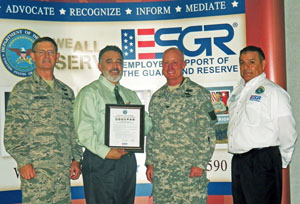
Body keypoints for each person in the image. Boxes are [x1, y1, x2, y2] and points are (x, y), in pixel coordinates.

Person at [4, 37, 82, 204]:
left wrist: (76, 159)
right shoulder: (23, 90)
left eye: (50, 52)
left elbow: (72, 129)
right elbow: (12, 132)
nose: (46, 56)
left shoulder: (66, 92)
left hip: (62, 173)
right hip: (36, 173)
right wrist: (23, 161)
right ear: (32, 56)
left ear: (57, 56)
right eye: (41, 52)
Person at [73, 45, 152, 204]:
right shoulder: (90, 93)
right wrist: (106, 152)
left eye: (119, 62)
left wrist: (135, 117)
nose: (115, 66)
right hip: (100, 160)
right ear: (100, 66)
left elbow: (148, 126)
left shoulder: (129, 95)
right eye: (109, 61)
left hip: (127, 161)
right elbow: (83, 132)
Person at [145, 47, 217, 203]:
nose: (170, 68)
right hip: (162, 175)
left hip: (189, 174)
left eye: (174, 63)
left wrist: (200, 163)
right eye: (166, 63)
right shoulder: (157, 97)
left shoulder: (198, 93)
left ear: (183, 64)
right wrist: (150, 162)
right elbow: (152, 134)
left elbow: (208, 133)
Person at [227, 46, 298, 204]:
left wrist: (281, 160)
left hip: (262, 161)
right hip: (239, 162)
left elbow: (287, 130)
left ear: (263, 64)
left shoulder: (273, 92)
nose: (246, 67)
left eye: (252, 62)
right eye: (242, 63)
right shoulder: (237, 92)